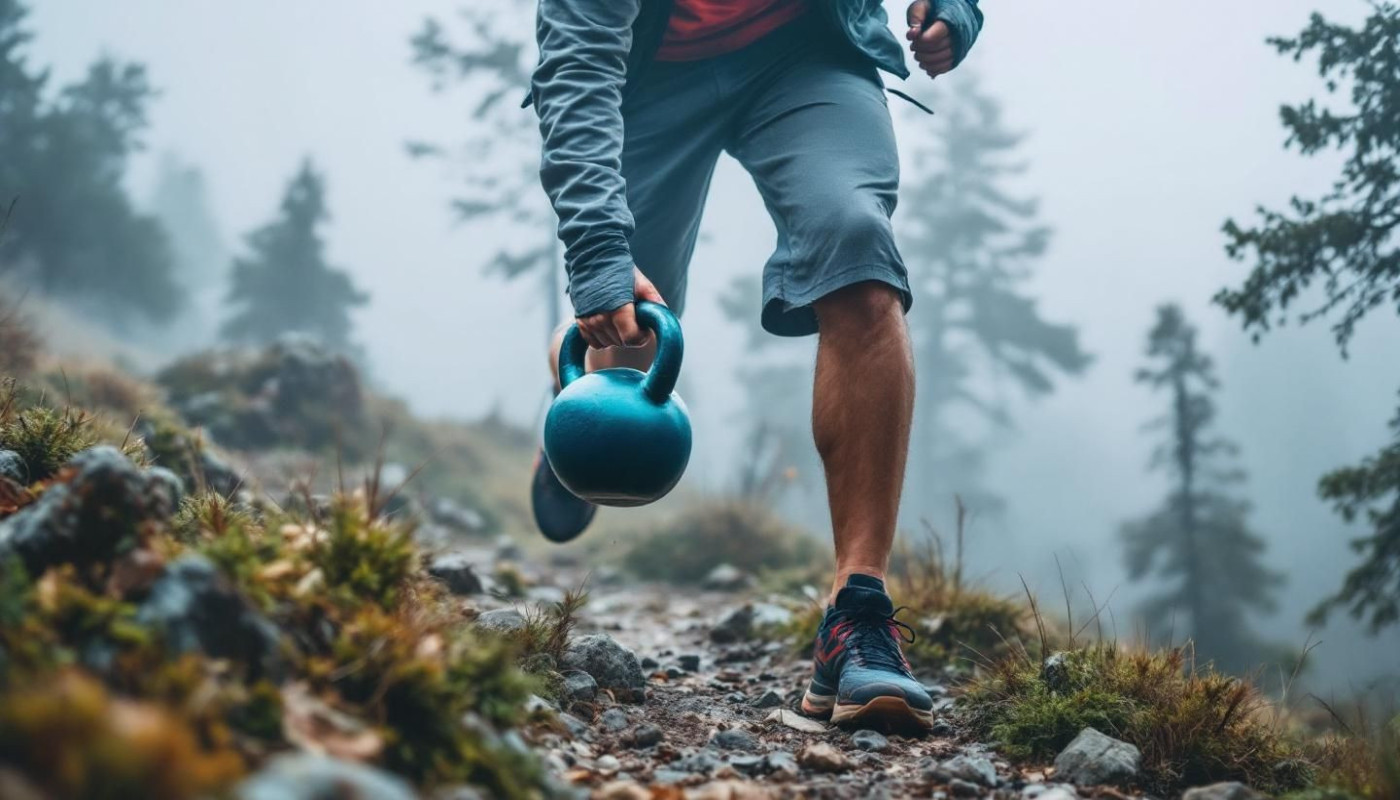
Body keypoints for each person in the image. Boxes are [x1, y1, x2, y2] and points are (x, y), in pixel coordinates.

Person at [527, 0, 983, 730]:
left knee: (858, 253)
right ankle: (577, 398)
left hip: (806, 52)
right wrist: (598, 256)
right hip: (651, 66)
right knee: (630, 337)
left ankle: (857, 616)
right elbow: (576, 60)